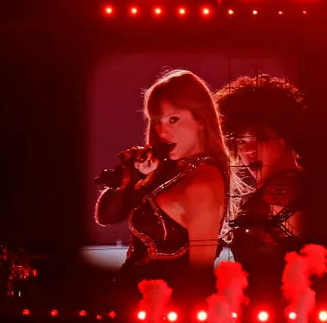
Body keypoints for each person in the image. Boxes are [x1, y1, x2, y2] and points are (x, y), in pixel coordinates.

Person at [95, 70, 229, 288]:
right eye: (157, 121)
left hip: (164, 308)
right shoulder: (169, 169)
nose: (163, 131)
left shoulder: (203, 181)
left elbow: (200, 274)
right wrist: (135, 175)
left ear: (201, 120)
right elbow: (106, 216)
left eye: (174, 119)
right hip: (134, 298)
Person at [213, 75, 308, 295]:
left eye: (259, 138)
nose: (248, 150)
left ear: (285, 136)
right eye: (240, 141)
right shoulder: (274, 191)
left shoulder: (283, 193)